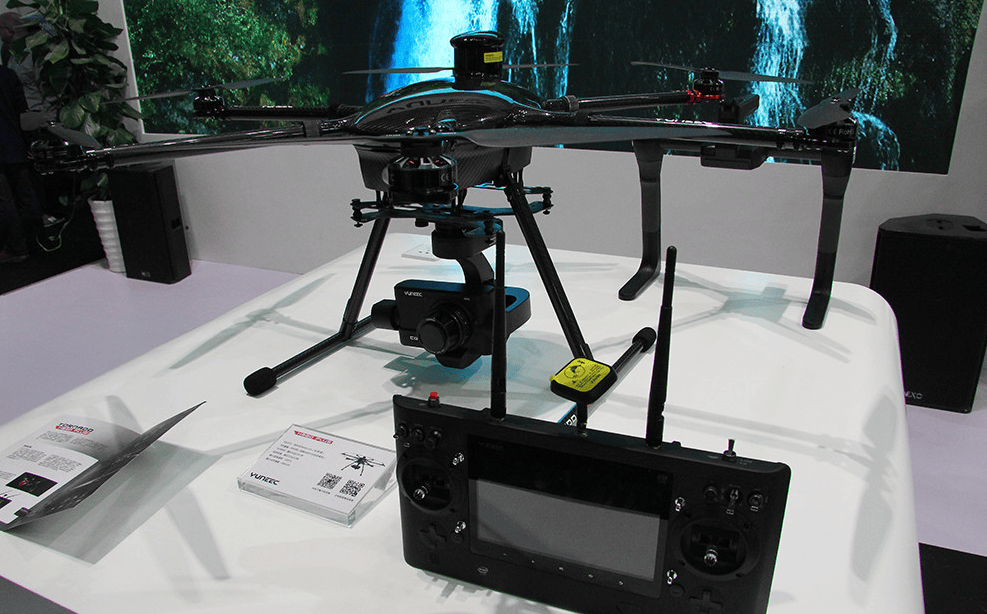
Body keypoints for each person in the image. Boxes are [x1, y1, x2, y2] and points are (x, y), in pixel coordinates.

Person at [0, 63, 43, 263]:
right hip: (14, 143)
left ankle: (17, 247)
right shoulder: (7, 74)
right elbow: (22, 111)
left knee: (4, 200)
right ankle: (38, 242)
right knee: (26, 194)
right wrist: (28, 142)